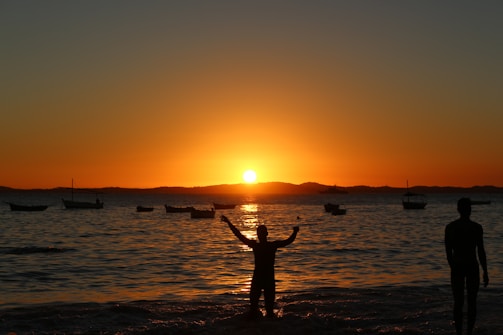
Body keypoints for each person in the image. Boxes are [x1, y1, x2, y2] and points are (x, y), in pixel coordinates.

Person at [221, 215, 299, 318]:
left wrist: (228, 222)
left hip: (261, 277)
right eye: (260, 233)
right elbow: (288, 241)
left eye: (261, 233)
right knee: (266, 311)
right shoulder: (270, 246)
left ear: (262, 234)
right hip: (266, 278)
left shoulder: (258, 246)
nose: (260, 235)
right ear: (263, 234)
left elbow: (239, 235)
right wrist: (295, 232)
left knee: (257, 310)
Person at [445, 197, 489, 335]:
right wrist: (485, 271)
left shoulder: (452, 227)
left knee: (462, 302)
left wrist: (485, 271)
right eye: (467, 208)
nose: (468, 210)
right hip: (467, 266)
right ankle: (466, 332)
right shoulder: (475, 228)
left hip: (463, 266)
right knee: (468, 302)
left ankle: (463, 332)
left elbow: (448, 252)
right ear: (467, 210)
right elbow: (480, 251)